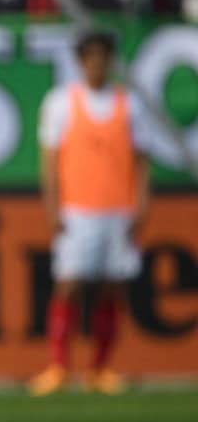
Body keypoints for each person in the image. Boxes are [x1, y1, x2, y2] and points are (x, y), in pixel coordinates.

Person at [28, 29, 150, 396]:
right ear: (81, 61)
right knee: (68, 285)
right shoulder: (62, 102)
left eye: (104, 56)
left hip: (117, 209)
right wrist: (52, 206)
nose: (98, 63)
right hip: (76, 210)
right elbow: (49, 162)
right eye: (91, 56)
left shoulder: (129, 105)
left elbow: (142, 162)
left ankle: (100, 367)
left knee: (112, 288)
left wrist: (141, 204)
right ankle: (58, 365)